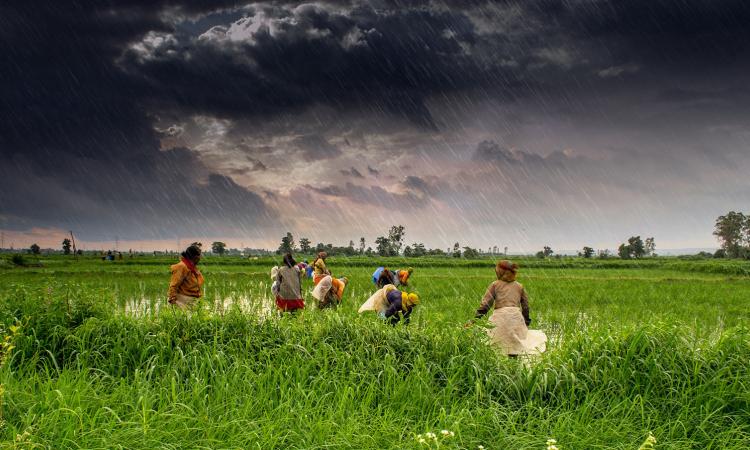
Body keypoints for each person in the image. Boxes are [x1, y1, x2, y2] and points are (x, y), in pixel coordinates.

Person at [468, 260, 546, 356]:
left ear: (500, 272)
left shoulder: (495, 285)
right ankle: (514, 368)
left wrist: (474, 320)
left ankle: (500, 369)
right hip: (515, 317)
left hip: (500, 318)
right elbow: (525, 307)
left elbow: (485, 305)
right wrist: (526, 322)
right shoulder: (519, 286)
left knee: (494, 345)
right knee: (515, 347)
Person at [168, 244, 204, 309]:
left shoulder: (192, 267)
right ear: (195, 257)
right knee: (183, 318)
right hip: (182, 301)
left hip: (192, 301)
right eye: (199, 255)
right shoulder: (181, 266)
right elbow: (174, 285)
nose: (200, 257)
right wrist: (172, 299)